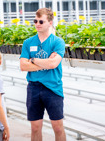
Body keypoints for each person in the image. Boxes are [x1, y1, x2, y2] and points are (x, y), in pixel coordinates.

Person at [20, 8, 66, 141]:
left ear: (50, 23)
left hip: (53, 88)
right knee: (35, 128)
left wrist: (33, 60)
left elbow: (53, 64)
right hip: (33, 87)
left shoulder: (58, 42)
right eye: (35, 21)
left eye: (41, 21)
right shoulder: (28, 42)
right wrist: (46, 62)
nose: (37, 24)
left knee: (57, 127)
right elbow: (23, 66)